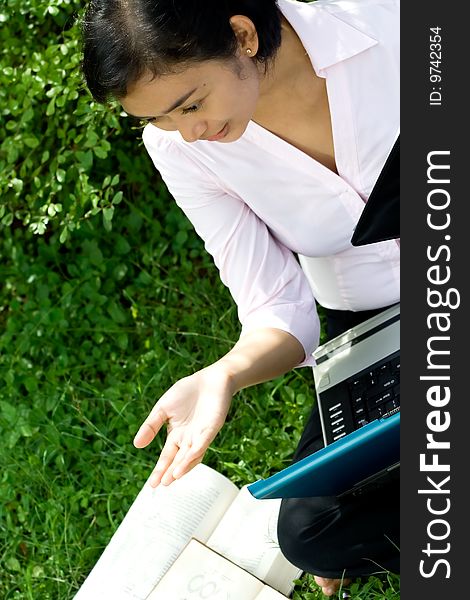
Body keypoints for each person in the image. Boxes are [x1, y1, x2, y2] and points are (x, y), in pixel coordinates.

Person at [82, 0, 400, 595]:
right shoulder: (181, 149)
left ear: (242, 35)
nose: (189, 133)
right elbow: (276, 307)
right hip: (374, 322)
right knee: (315, 529)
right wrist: (224, 375)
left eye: (191, 104)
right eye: (162, 121)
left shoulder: (388, 23)